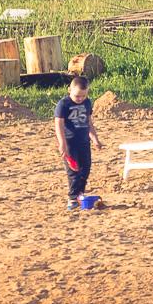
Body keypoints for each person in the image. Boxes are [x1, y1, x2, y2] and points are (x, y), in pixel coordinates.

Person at [56, 74, 97, 209]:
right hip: (70, 143)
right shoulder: (64, 104)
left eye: (83, 96)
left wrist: (95, 138)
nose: (80, 99)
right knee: (73, 171)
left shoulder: (87, 103)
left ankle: (80, 194)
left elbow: (89, 122)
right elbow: (59, 124)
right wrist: (62, 143)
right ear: (69, 90)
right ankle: (72, 198)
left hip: (84, 142)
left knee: (85, 169)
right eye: (77, 96)